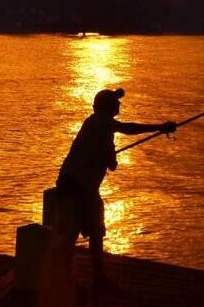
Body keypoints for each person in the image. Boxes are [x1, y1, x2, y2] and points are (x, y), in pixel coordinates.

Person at [56, 87, 176, 290]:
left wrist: (108, 157)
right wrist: (159, 127)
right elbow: (127, 128)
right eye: (115, 101)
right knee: (88, 229)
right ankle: (87, 278)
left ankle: (76, 276)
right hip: (79, 185)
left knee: (86, 229)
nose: (119, 104)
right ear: (106, 106)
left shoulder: (101, 127)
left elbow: (110, 162)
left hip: (78, 184)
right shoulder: (99, 121)